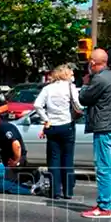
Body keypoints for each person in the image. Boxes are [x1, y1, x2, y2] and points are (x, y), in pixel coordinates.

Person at [78, 48, 111, 219]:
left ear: (93, 63)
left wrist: (86, 82)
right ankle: (110, 204)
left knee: (103, 169)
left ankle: (104, 206)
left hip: (104, 128)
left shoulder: (99, 79)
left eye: (89, 63)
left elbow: (83, 98)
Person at [33, 64, 81, 199]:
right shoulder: (70, 88)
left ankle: (55, 191)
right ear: (66, 74)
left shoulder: (48, 88)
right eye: (71, 74)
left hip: (52, 126)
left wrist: (46, 119)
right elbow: (78, 105)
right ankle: (68, 191)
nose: (73, 77)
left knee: (54, 159)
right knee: (68, 158)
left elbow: (37, 105)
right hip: (67, 124)